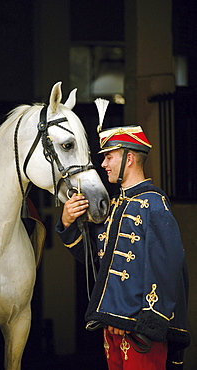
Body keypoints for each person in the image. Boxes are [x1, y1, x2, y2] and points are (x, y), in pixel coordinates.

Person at [56, 102, 190, 370]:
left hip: (141, 333)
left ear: (129, 158)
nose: (103, 164)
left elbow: (167, 269)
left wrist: (146, 326)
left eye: (110, 157)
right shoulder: (117, 204)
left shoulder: (153, 204)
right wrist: (68, 222)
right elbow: (97, 261)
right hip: (112, 327)